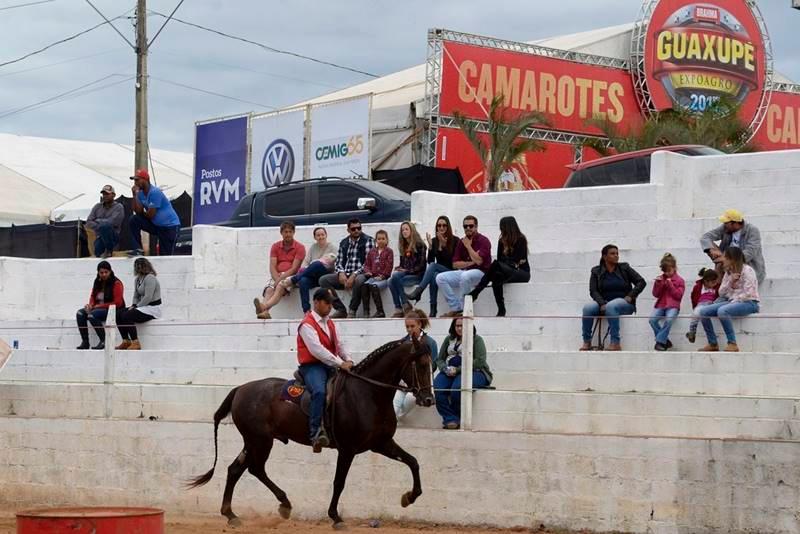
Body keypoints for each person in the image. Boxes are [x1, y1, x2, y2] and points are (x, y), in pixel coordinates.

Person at [297, 288, 354, 452]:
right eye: (327, 303)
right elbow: (317, 350)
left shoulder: (329, 322)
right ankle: (315, 432)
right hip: (313, 366)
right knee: (320, 392)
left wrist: (348, 359)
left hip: (330, 364)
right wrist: (339, 363)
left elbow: (339, 344)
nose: (330, 306)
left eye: (331, 303)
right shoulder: (306, 325)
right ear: (316, 302)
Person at [579, 244, 646, 351]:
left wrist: (631, 295)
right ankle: (587, 341)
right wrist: (601, 303)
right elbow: (593, 290)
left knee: (611, 306)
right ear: (605, 257)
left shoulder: (625, 268)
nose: (616, 256)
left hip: (624, 303)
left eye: (617, 253)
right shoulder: (596, 271)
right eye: (612, 254)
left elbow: (641, 282)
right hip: (604, 303)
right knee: (588, 308)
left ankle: (615, 343)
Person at [433, 317, 493, 430]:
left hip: (475, 372)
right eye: (457, 326)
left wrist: (459, 370)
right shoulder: (449, 340)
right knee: (438, 387)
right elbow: (439, 359)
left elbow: (480, 361)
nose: (460, 328)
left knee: (457, 388)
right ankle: (449, 418)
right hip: (450, 371)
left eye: (462, 325)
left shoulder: (476, 339)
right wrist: (445, 369)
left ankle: (457, 418)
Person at [697, 247, 760, 353]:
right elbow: (721, 292)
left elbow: (749, 293)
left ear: (733, 259)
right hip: (732, 301)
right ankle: (712, 343)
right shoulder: (728, 273)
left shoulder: (748, 271)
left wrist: (734, 300)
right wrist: (730, 281)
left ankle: (732, 343)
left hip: (749, 302)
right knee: (703, 311)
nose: (723, 259)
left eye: (725, 257)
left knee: (722, 311)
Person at [469, 216, 530, 316]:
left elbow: (516, 259)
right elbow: (502, 260)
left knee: (496, 265)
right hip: (507, 270)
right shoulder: (501, 241)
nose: (501, 230)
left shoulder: (521, 239)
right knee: (496, 276)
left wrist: (508, 261)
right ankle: (501, 309)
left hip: (521, 273)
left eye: (502, 227)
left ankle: (476, 292)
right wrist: (508, 261)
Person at [435, 215, 492, 317]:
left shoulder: (484, 241)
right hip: (465, 271)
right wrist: (471, 262)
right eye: (465, 226)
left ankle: (464, 309)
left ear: (476, 226)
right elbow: (455, 264)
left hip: (482, 273)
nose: (468, 228)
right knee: (440, 278)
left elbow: (479, 262)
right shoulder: (462, 241)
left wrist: (468, 247)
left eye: (471, 226)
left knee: (465, 276)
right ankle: (456, 308)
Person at [319, 218, 374, 318]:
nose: (357, 230)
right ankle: (340, 309)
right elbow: (338, 261)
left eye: (359, 228)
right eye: (353, 229)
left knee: (358, 280)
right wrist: (341, 273)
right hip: (345, 274)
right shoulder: (344, 242)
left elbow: (368, 263)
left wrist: (354, 274)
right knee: (323, 280)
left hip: (362, 273)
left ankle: (352, 310)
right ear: (348, 230)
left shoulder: (368, 241)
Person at [405, 215, 458, 317]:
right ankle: (433, 310)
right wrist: (430, 247)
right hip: (439, 271)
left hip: (451, 270)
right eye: (439, 225)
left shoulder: (455, 240)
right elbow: (429, 261)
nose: (441, 227)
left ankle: (418, 291)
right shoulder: (434, 241)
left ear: (448, 227)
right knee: (434, 275)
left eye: (444, 225)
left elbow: (452, 262)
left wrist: (443, 246)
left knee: (434, 267)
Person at [253, 221, 306, 319]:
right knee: (269, 289)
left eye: (290, 232)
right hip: (276, 275)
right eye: (285, 232)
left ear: (294, 233)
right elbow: (272, 266)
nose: (288, 234)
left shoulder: (300, 247)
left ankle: (263, 307)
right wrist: (276, 278)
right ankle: (264, 312)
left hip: (291, 276)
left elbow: (294, 269)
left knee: (279, 287)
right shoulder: (275, 246)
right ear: (281, 233)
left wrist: (279, 280)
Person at [393, 309, 438, 419]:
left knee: (406, 404)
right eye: (407, 327)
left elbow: (433, 365)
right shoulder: (403, 342)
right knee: (394, 408)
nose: (409, 329)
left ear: (419, 324)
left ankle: (397, 419)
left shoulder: (430, 342)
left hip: (420, 384)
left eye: (412, 326)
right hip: (403, 383)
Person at [700, 209, 765, 284]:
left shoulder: (752, 230)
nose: (724, 224)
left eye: (726, 223)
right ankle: (719, 282)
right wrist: (711, 250)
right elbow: (705, 237)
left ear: (735, 223)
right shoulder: (725, 228)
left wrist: (727, 259)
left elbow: (749, 253)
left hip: (746, 265)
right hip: (727, 263)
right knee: (710, 246)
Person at [128, 168, 181, 256]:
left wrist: (142, 213)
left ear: (145, 180)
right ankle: (138, 249)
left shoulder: (154, 192)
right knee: (134, 219)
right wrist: (135, 195)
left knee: (166, 256)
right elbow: (138, 211)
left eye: (137, 180)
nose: (135, 183)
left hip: (170, 227)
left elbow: (151, 215)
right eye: (134, 180)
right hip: (157, 226)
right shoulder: (140, 193)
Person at [288, 226, 338, 315]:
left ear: (326, 235)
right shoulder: (313, 247)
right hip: (313, 277)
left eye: (322, 234)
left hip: (325, 275)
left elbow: (331, 263)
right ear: (315, 237)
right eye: (318, 235)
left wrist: (316, 263)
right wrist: (304, 269)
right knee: (303, 281)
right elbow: (306, 262)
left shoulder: (332, 247)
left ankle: (294, 279)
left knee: (317, 264)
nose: (321, 237)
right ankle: (306, 311)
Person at [76, 260, 125, 350]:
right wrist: (90, 305)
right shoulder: (97, 281)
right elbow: (93, 295)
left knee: (92, 316)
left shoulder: (116, 283)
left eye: (106, 272)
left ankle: (104, 340)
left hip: (111, 309)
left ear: (110, 271)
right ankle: (85, 342)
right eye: (101, 272)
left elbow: (118, 303)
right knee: (80, 313)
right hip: (97, 308)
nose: (104, 274)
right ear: (98, 273)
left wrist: (98, 306)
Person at [116, 257, 162, 350]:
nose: (139, 268)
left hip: (152, 308)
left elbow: (148, 297)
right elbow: (136, 295)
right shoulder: (137, 280)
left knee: (127, 315)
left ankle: (135, 342)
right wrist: (133, 305)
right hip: (142, 306)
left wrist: (136, 307)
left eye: (141, 265)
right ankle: (126, 340)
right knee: (118, 314)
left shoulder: (150, 278)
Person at [389, 221, 427, 318]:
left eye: (406, 229)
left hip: (417, 275)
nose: (404, 232)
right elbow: (403, 265)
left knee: (395, 277)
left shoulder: (420, 245)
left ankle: (405, 303)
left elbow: (422, 266)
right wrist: (399, 268)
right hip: (407, 273)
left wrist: (406, 271)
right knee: (390, 281)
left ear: (412, 230)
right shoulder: (404, 245)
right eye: (402, 230)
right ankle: (398, 308)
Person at [648, 253, 685, 351]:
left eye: (669, 271)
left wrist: (670, 285)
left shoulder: (680, 280)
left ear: (674, 268)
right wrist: (658, 284)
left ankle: (659, 342)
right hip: (661, 305)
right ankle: (665, 340)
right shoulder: (661, 278)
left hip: (673, 306)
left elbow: (678, 296)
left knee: (669, 319)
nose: (667, 273)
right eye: (665, 271)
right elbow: (655, 294)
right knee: (652, 320)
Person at [360, 229, 394, 318]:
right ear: (376, 240)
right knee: (364, 286)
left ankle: (380, 311)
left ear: (387, 240)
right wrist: (368, 272)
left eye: (383, 238)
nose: (381, 241)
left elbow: (389, 266)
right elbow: (366, 264)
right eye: (379, 239)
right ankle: (366, 311)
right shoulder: (372, 251)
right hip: (372, 277)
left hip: (384, 278)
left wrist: (383, 276)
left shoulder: (389, 251)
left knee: (374, 286)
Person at [85, 185, 124, 258]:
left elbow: (112, 222)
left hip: (113, 236)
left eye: (107, 194)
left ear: (113, 195)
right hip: (100, 236)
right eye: (103, 194)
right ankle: (106, 251)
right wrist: (100, 225)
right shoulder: (97, 206)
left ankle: (109, 250)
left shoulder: (119, 207)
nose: (105, 196)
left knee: (105, 226)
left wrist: (97, 221)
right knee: (97, 252)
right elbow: (88, 223)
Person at [685, 268, 720, 344]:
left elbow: (720, 296)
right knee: (696, 313)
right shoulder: (698, 287)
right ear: (705, 281)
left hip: (712, 304)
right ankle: (692, 332)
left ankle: (712, 342)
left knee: (700, 312)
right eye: (712, 281)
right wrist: (695, 307)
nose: (714, 283)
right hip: (701, 304)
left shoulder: (717, 287)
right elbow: (693, 297)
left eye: (715, 281)